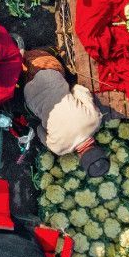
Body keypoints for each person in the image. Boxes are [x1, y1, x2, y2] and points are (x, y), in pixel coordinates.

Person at [21, 50, 111, 178]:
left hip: (50, 74)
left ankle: (24, 55)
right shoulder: (59, 149)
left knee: (32, 58)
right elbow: (39, 129)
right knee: (23, 72)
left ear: (99, 147)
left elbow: (79, 90)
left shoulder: (95, 120)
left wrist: (70, 95)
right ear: (80, 157)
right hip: (29, 94)